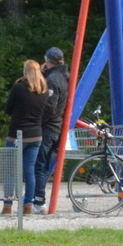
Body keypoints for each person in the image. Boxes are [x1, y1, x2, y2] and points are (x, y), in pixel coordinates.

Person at [2, 59, 48, 215]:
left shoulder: (19, 88)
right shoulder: (43, 90)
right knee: (30, 171)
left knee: (10, 170)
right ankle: (28, 204)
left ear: (25, 71)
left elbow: (8, 110)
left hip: (16, 135)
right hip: (36, 135)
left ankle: (7, 205)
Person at [34, 47, 70, 206]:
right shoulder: (66, 77)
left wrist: (38, 122)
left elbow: (50, 106)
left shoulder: (53, 80)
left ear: (47, 61)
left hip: (48, 128)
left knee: (39, 166)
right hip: (59, 127)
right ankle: (39, 199)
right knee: (46, 165)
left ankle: (38, 200)